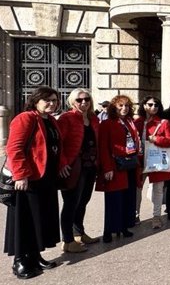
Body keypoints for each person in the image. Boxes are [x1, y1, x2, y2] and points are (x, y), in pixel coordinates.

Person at [4, 86, 62, 279]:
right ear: (36, 101)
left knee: (40, 219)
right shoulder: (26, 118)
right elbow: (14, 148)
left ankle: (35, 255)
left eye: (55, 100)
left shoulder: (51, 120)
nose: (52, 104)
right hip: (28, 179)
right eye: (48, 100)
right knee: (25, 220)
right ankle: (20, 260)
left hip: (46, 178)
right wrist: (20, 174)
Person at [57, 88, 100, 253]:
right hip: (73, 167)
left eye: (87, 99)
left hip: (90, 166)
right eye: (79, 100)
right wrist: (62, 163)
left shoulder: (93, 119)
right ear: (72, 102)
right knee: (70, 204)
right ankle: (67, 240)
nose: (84, 103)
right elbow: (59, 143)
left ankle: (78, 233)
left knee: (83, 201)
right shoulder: (67, 118)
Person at [96, 95, 139, 242]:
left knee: (128, 197)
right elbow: (103, 148)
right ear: (114, 107)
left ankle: (124, 226)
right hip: (115, 165)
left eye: (126, 106)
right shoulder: (107, 124)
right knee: (114, 199)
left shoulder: (129, 122)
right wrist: (107, 168)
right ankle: (109, 230)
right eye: (120, 106)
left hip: (129, 164)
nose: (124, 108)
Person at [135, 96, 170, 228]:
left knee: (158, 189)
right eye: (150, 104)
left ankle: (156, 216)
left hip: (156, 160)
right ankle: (135, 215)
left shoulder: (163, 122)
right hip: (139, 160)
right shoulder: (137, 122)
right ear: (144, 105)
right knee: (137, 188)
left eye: (156, 105)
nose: (153, 107)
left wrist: (157, 139)